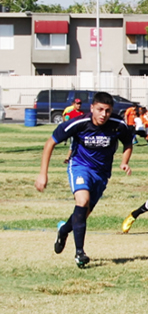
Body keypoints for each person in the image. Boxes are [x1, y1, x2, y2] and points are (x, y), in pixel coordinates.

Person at [35, 92, 133, 268]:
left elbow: (128, 143)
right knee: (82, 201)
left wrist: (124, 162)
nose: (104, 114)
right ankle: (80, 253)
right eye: (100, 110)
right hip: (79, 167)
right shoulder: (78, 123)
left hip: (101, 173)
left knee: (83, 213)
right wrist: (43, 173)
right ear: (92, 108)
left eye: (108, 110)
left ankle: (63, 230)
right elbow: (50, 143)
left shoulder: (118, 125)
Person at [61, 98, 85, 163]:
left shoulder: (82, 113)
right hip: (73, 132)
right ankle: (67, 158)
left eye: (79, 104)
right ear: (74, 104)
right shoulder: (71, 112)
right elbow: (66, 119)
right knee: (73, 144)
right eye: (77, 104)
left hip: (80, 132)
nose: (78, 105)